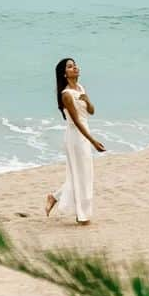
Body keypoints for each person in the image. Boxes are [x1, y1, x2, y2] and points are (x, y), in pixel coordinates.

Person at [45, 57, 105, 224]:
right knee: (82, 175)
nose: (75, 68)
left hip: (84, 133)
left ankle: (54, 197)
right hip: (75, 137)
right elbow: (77, 122)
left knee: (83, 174)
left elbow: (91, 112)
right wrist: (93, 141)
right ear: (64, 74)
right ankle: (82, 216)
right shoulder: (66, 95)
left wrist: (87, 100)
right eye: (70, 67)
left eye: (75, 65)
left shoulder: (80, 88)